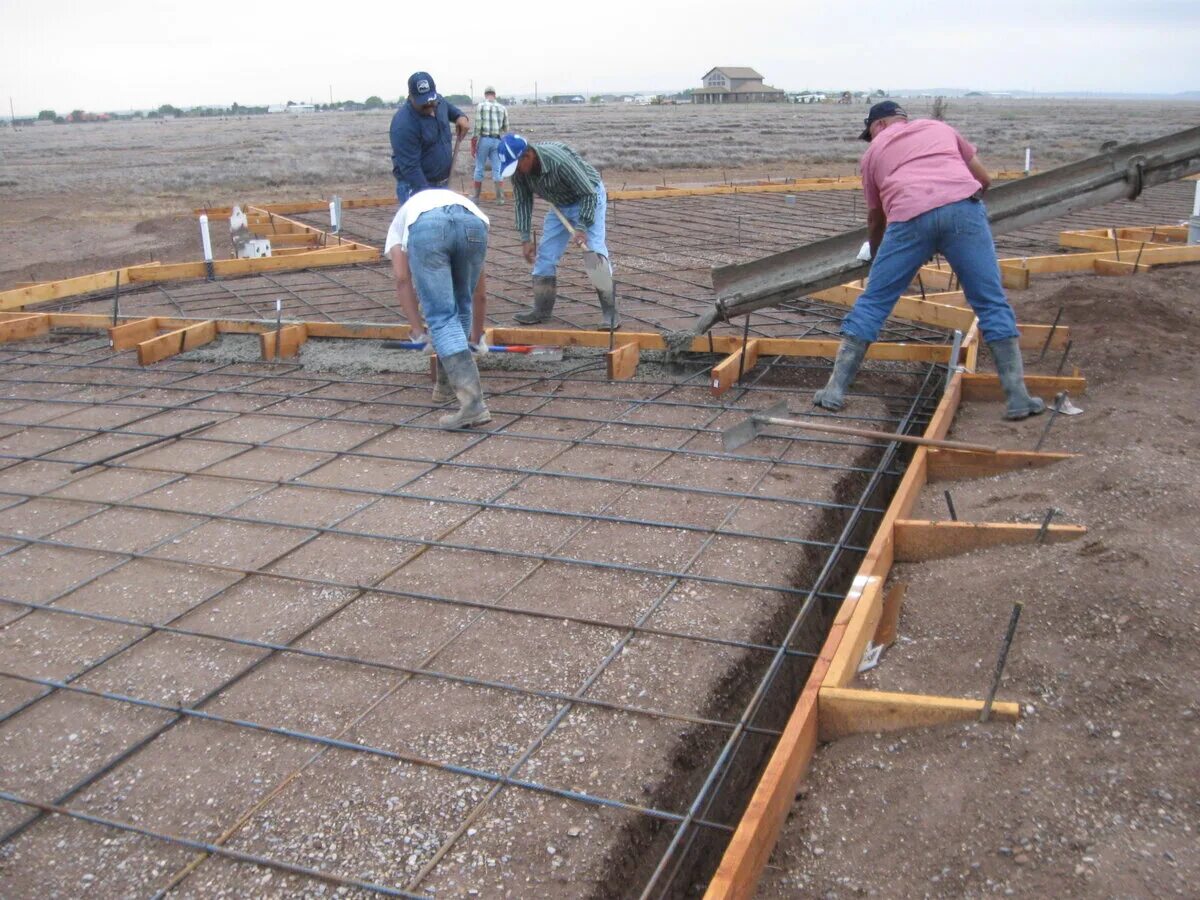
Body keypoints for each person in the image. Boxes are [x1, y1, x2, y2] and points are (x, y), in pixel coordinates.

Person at [814, 101, 1045, 420]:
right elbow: (984, 180)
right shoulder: (940, 128)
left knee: (874, 302)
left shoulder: (872, 154)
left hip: (907, 220)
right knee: (991, 302)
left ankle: (834, 391)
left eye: (870, 133)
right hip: (963, 209)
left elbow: (876, 217)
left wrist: (880, 256)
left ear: (878, 126)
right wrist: (959, 223)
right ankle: (1018, 398)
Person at [384, 189, 491, 428]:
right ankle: (445, 386)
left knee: (441, 316)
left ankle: (473, 405)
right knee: (460, 305)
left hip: (429, 230)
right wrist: (476, 337)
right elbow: (478, 293)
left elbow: (402, 278)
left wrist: (418, 332)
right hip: (475, 223)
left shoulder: (402, 221)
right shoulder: (458, 202)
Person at [496, 134, 619, 329]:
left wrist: (582, 227)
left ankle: (610, 313)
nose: (517, 171)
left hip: (588, 196)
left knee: (593, 251)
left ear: (528, 155)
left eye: (518, 165)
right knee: (545, 255)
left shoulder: (558, 161)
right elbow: (522, 202)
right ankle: (542, 310)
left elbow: (588, 193)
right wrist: (525, 238)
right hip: (559, 204)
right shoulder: (520, 173)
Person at [389, 71, 470, 205]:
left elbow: (448, 108)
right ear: (411, 97)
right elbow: (411, 169)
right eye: (424, 103)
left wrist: (460, 116)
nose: (430, 106)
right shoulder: (403, 125)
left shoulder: (438, 101)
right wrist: (430, 199)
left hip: (442, 183)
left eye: (432, 101)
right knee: (424, 224)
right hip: (415, 188)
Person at [471, 87, 509, 204]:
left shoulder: (481, 106)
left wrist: (473, 142)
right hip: (497, 140)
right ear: (495, 94)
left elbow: (477, 126)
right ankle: (500, 199)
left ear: (485, 94)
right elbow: (506, 128)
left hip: (484, 139)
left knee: (479, 167)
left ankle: (476, 198)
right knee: (497, 169)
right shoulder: (502, 108)